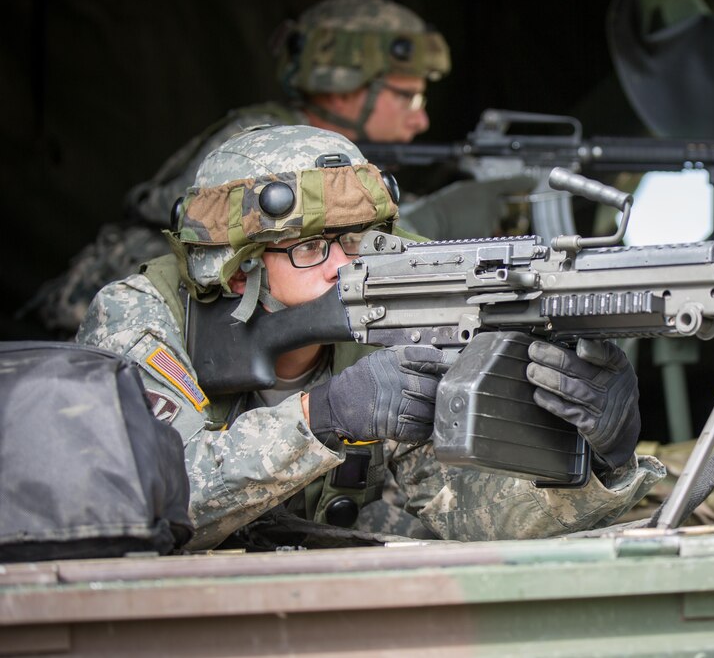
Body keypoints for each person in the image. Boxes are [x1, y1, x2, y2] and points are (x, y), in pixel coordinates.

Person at [76, 123, 665, 551]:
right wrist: (322, 416)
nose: (343, 266)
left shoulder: (381, 326)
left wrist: (602, 462)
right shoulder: (139, 320)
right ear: (234, 270)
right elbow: (140, 504)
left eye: (357, 241)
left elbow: (470, 517)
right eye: (310, 247)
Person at [24, 0, 450, 339]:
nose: (420, 119)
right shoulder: (255, 149)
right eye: (407, 96)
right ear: (341, 86)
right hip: (95, 326)